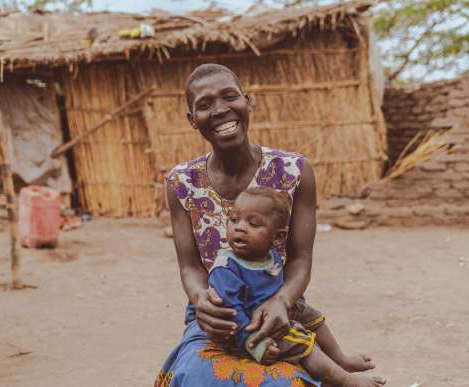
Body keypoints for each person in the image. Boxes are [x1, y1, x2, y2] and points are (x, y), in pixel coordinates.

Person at [156, 63, 378, 387]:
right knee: (194, 376)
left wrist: (282, 301)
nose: (220, 110)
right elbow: (189, 265)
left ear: (248, 102)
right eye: (204, 105)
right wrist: (201, 298)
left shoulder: (294, 171)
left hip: (276, 306)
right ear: (192, 119)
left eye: (230, 97)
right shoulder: (181, 183)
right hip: (217, 316)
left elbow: (300, 259)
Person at [207, 186, 385, 386]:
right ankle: (344, 381)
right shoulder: (225, 268)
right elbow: (231, 313)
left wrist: (289, 305)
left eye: (253, 223)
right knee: (302, 342)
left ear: (278, 238)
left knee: (309, 313)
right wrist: (256, 345)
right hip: (249, 329)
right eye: (234, 220)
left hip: (273, 311)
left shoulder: (268, 255)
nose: (240, 227)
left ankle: (339, 358)